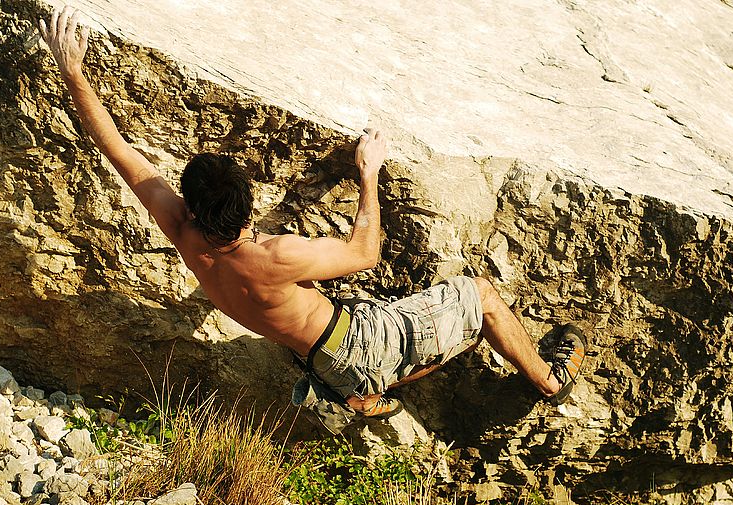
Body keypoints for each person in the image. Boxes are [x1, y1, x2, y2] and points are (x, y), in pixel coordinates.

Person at [38, 6, 587, 422]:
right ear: (247, 207)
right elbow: (365, 253)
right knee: (479, 296)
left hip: (316, 356)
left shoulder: (183, 234)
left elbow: (119, 151)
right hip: (360, 343)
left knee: (355, 322)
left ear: (194, 209)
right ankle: (549, 382)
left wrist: (73, 73)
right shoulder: (274, 257)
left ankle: (363, 394)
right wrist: (368, 173)